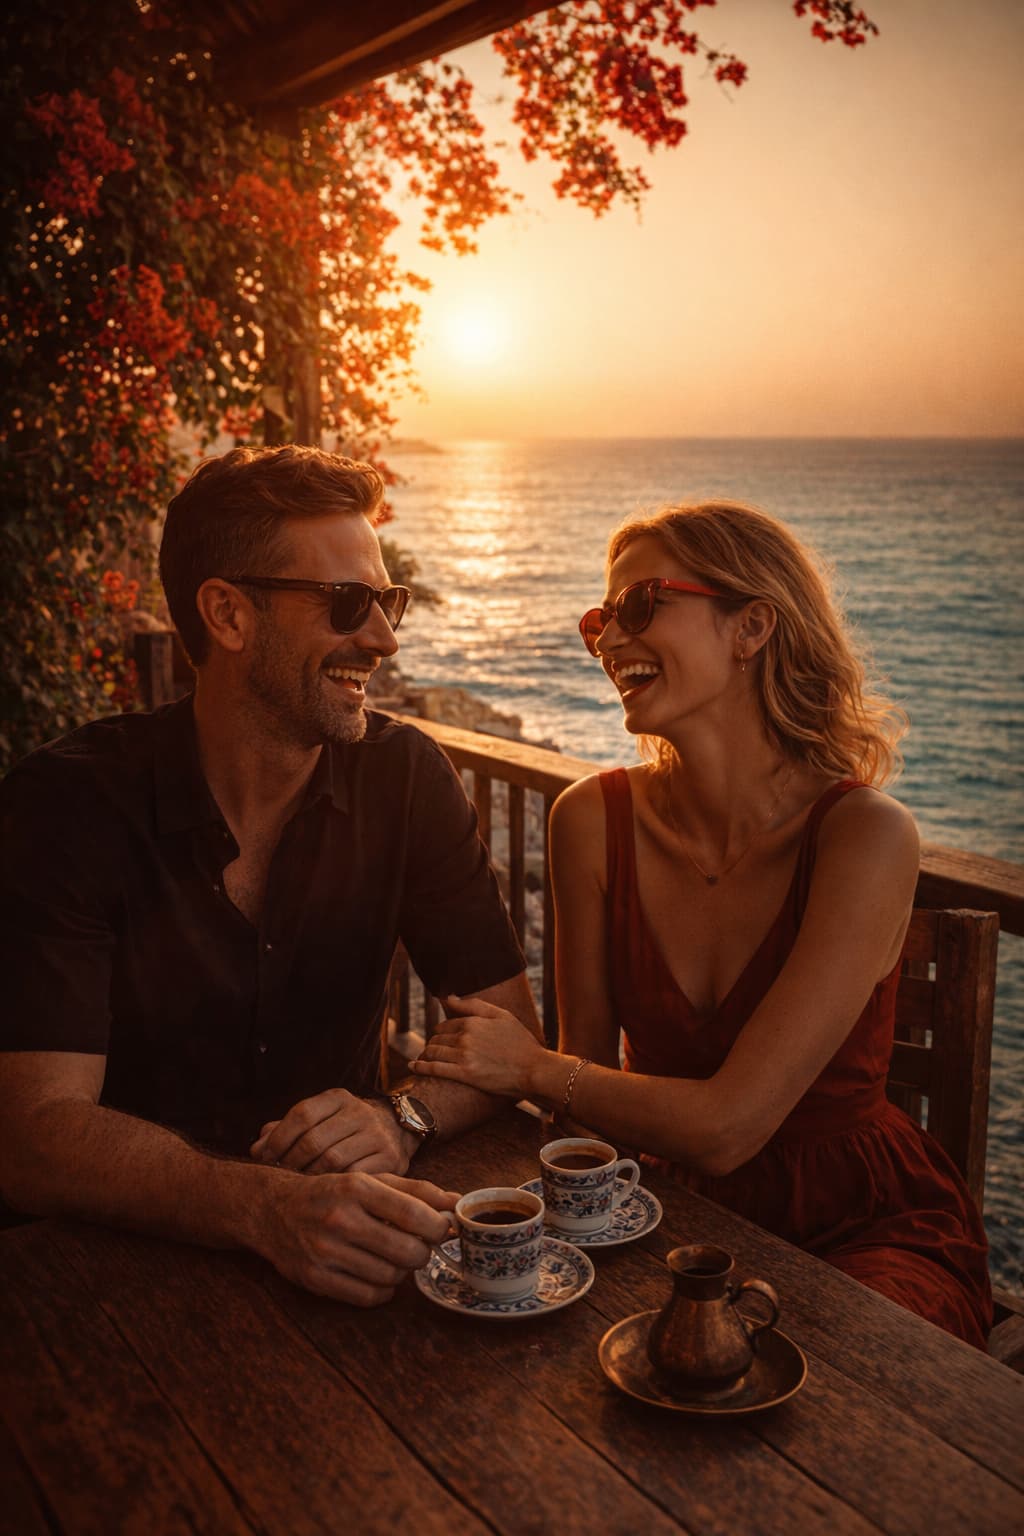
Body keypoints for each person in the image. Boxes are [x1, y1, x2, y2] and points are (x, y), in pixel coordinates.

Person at [413, 499, 993, 1347]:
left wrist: (529, 1068)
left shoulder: (864, 836)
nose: (609, 642)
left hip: (862, 1232)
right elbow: (588, 1099)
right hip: (661, 1209)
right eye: (600, 620)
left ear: (751, 626)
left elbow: (726, 1127)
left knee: (816, 1383)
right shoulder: (590, 821)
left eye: (640, 607)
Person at [0, 445, 539, 1307]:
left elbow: (509, 1034)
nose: (385, 637)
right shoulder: (68, 805)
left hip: (346, 1262)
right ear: (227, 613)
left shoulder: (407, 779)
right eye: (348, 603)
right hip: (104, 1279)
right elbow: (32, 1134)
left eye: (387, 600)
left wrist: (403, 1119)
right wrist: (262, 1208)